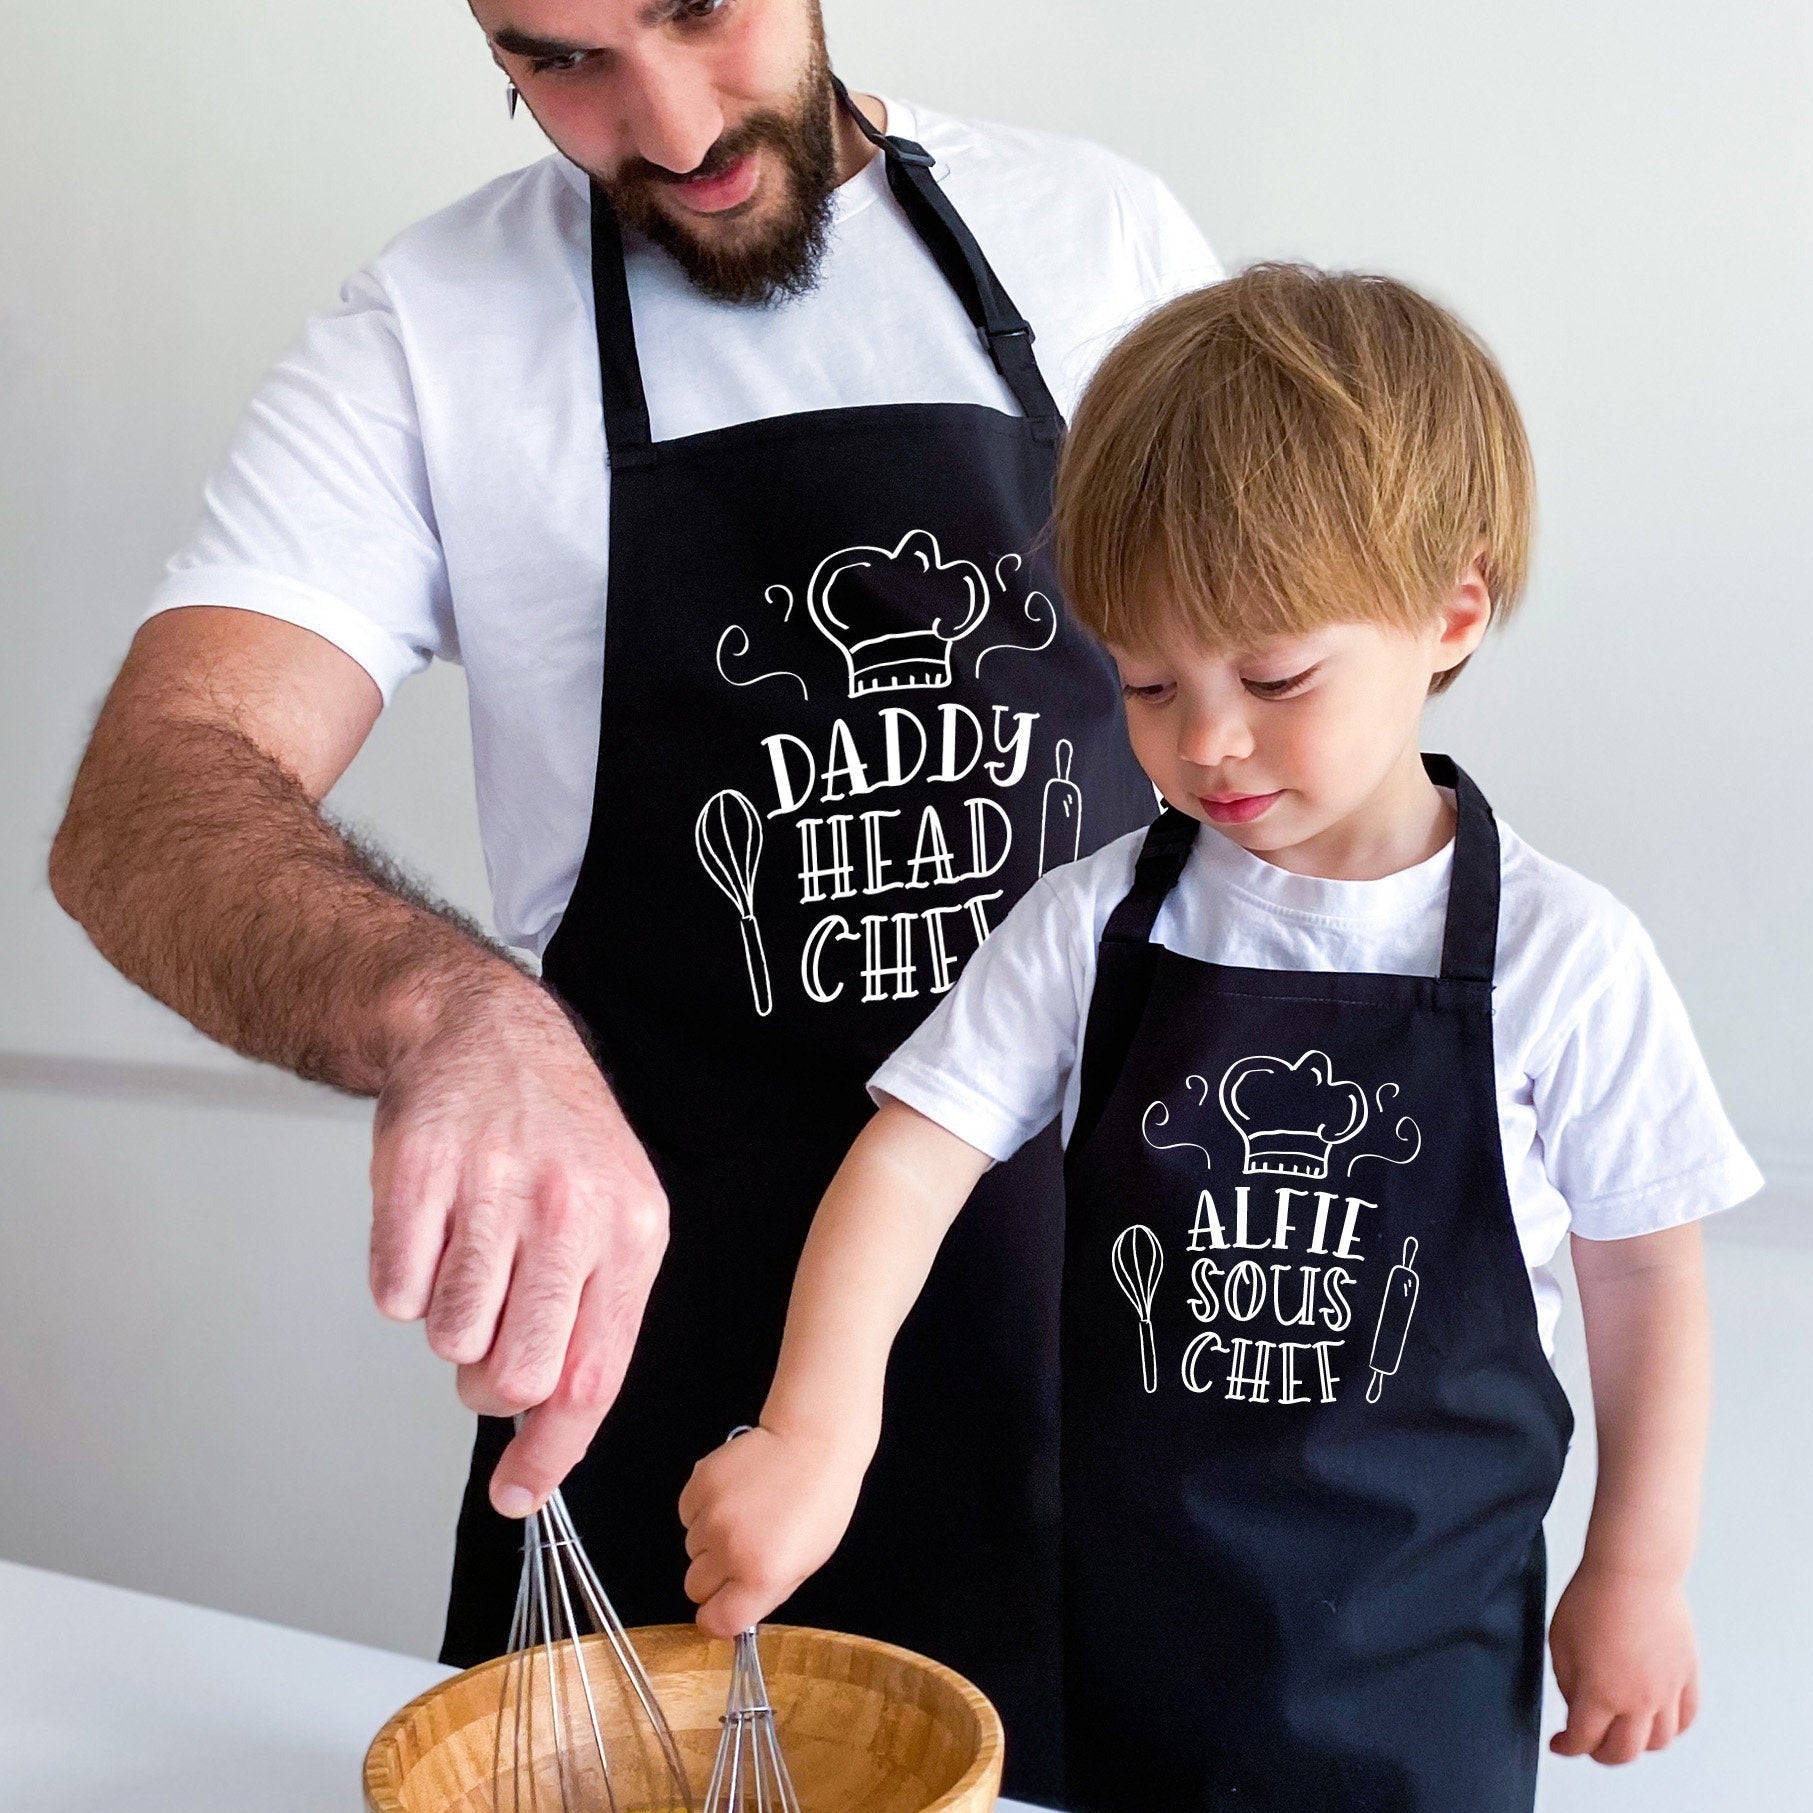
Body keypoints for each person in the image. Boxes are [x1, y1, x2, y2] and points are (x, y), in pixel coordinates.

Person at [45, 2, 1217, 1798]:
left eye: (697, 9)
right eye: (557, 55)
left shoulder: (1104, 241)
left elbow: (1309, 737)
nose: (666, 126)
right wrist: (456, 1012)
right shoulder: (434, 329)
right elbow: (144, 798)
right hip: (681, 1405)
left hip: (1125, 1355)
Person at [676, 264, 1763, 1810]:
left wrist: (1634, 1571)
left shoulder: (1562, 957)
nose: (1205, 739)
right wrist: (812, 1431)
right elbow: (908, 1162)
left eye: (1272, 676)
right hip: (1130, 1630)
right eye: (1142, 682)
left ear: (1448, 609)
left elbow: (1646, 1272)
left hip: (1420, 1659)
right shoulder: (1090, 924)